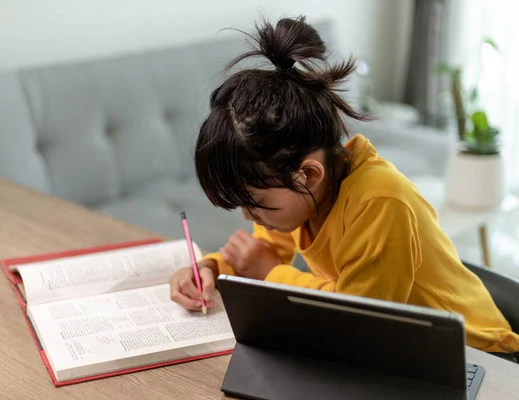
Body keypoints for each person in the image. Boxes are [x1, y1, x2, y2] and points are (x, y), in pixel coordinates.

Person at [168, 15, 519, 357]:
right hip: (404, 345)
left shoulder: (380, 201)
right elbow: (262, 252)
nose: (248, 218)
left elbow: (359, 320)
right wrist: (210, 269)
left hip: (474, 353)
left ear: (308, 173)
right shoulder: (305, 198)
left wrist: (270, 274)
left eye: (255, 203)